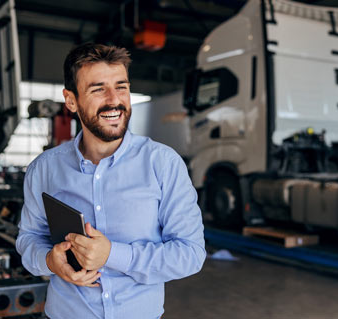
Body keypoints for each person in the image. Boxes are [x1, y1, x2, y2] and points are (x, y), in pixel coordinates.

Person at [16, 43, 206, 319]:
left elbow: (190, 254)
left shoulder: (162, 164)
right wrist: (49, 261)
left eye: (121, 86)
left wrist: (112, 255)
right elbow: (28, 239)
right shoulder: (44, 169)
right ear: (71, 100)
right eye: (97, 89)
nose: (114, 100)